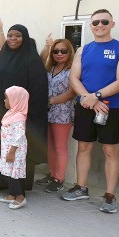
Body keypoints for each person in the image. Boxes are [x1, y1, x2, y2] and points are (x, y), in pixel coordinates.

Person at [61, 9, 119, 214]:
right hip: (86, 105)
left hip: (111, 108)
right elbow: (74, 78)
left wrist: (97, 96)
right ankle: (81, 187)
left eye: (104, 21)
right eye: (95, 22)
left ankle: (110, 197)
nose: (99, 25)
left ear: (112, 23)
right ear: (90, 26)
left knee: (111, 152)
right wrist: (89, 98)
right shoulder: (83, 49)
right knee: (83, 147)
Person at [0, 21, 48, 192]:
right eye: (10, 35)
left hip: (21, 115)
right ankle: (2, 181)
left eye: (17, 35)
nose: (13, 39)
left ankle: (18, 187)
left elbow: (38, 90)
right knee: (0, 148)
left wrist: (26, 113)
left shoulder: (32, 61)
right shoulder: (2, 56)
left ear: (24, 38)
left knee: (16, 150)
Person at [34, 37, 76, 192]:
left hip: (62, 114)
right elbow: (39, 60)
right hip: (48, 113)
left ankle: (59, 179)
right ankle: (52, 175)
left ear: (69, 52)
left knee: (59, 147)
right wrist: (47, 45)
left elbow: (71, 93)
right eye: (56, 51)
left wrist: (50, 101)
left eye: (63, 51)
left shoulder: (72, 70)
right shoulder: (49, 68)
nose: (59, 54)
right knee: (50, 146)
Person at [0, 86, 29, 210]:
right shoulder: (10, 114)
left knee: (14, 173)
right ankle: (11, 195)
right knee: (9, 171)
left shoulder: (19, 117)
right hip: (8, 148)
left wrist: (12, 152)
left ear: (16, 100)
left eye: (7, 98)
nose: (4, 101)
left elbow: (19, 136)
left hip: (15, 151)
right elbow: (4, 126)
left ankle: (20, 197)